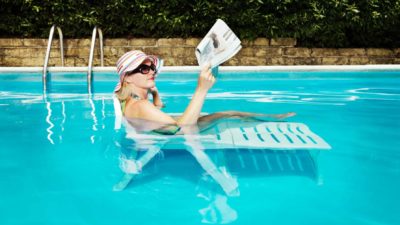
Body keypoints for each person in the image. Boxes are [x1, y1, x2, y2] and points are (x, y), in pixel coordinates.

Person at [114, 50, 295, 134]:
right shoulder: (140, 105)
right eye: (144, 69)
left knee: (227, 114)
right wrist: (201, 89)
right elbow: (183, 129)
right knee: (227, 114)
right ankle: (272, 118)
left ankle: (269, 117)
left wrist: (155, 95)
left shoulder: (130, 101)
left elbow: (155, 113)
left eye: (152, 67)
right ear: (127, 77)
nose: (152, 71)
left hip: (165, 127)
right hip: (182, 131)